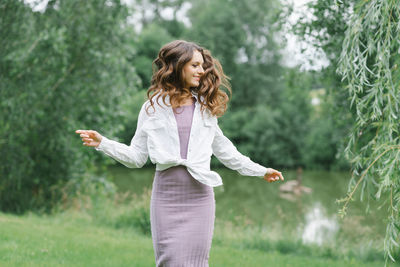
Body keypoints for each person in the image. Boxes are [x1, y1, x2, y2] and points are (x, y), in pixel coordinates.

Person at [75, 40, 284, 267]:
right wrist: (102, 143)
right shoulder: (152, 107)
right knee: (170, 262)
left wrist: (260, 171)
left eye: (202, 66)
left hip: (200, 197)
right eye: (195, 65)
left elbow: (226, 152)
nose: (201, 71)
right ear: (178, 66)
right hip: (166, 197)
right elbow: (137, 157)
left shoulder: (205, 108)